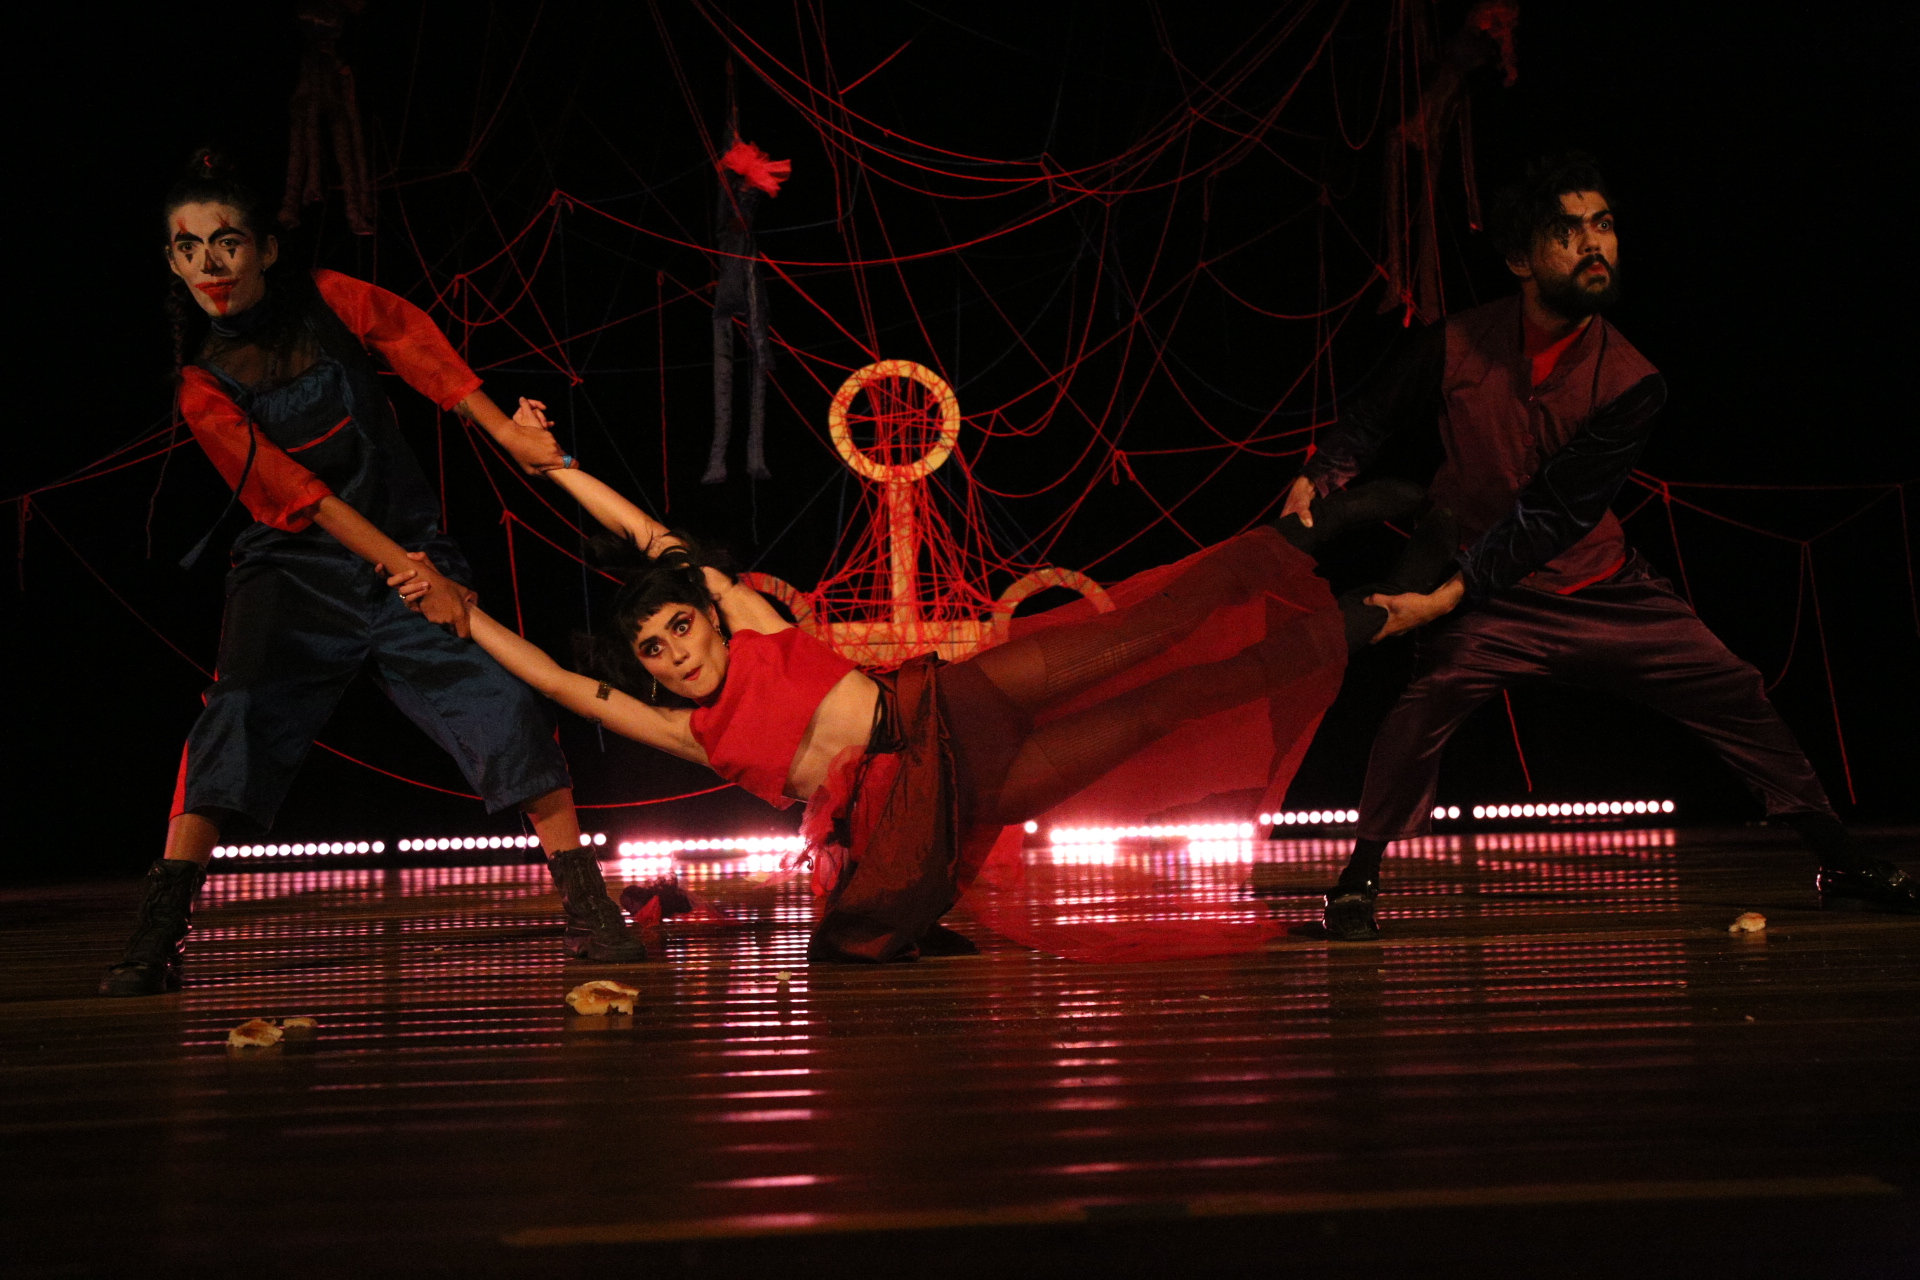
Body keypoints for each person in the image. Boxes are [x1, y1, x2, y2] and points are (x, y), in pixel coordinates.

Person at [1271, 151, 1918, 941]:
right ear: (1521, 259)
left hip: (1601, 588)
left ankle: (1840, 859)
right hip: (1494, 599)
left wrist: (1440, 599)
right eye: (1568, 230)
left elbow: (1553, 514)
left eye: (1603, 225)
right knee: (1424, 703)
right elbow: (1375, 413)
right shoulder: (1457, 342)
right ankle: (1358, 883)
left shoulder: (1632, 380)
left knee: (1733, 689)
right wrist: (1322, 473)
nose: (1594, 243)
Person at [388, 450, 1349, 963]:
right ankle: (1358, 620)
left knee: (1145, 639)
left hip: (947, 711)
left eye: (680, 627)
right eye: (653, 651)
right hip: (936, 806)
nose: (675, 652)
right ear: (645, 672)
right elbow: (559, 683)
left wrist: (553, 465)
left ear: (710, 617)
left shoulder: (753, 626)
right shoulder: (690, 730)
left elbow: (651, 537)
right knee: (1159, 709)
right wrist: (463, 616)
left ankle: (1324, 569)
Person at [99, 150, 642, 998]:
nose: (211, 263)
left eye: (228, 241)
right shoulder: (204, 385)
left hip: (409, 544)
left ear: (264, 248)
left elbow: (414, 344)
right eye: (188, 247)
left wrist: (508, 434)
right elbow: (305, 499)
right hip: (298, 571)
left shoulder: (327, 298)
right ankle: (157, 935)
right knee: (236, 713)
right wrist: (416, 575)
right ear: (171, 261)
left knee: (501, 705)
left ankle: (589, 907)